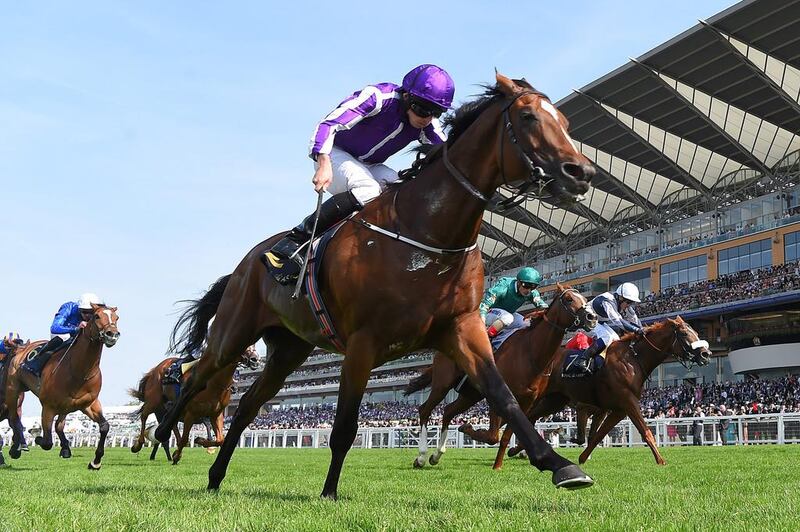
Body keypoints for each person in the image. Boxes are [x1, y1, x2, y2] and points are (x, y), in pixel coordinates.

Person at [268, 64, 454, 263]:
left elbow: (448, 155)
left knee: (405, 190)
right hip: (335, 153)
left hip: (370, 165)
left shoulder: (428, 125)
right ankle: (296, 240)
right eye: (421, 109)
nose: (426, 118)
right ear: (406, 96)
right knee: (369, 189)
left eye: (435, 112)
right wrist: (323, 161)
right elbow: (328, 124)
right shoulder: (378, 97)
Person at [564, 282, 643, 376]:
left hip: (597, 322)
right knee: (606, 337)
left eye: (631, 302)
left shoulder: (624, 304)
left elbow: (635, 320)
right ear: (620, 298)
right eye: (628, 302)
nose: (629, 305)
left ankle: (601, 362)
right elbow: (618, 321)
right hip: (584, 322)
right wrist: (636, 330)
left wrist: (643, 329)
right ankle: (583, 360)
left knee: (616, 339)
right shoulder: (607, 300)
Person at [21, 293, 103, 377]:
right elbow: (55, 327)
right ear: (79, 309)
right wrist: (75, 329)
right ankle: (34, 364)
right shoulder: (68, 307)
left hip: (78, 336)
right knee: (65, 338)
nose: (88, 315)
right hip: (62, 333)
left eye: (91, 312)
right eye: (85, 312)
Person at [479, 267, 548, 339]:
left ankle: (501, 342)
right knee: (508, 318)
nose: (528, 290)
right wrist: (482, 324)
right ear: (518, 282)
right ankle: (486, 337)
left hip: (507, 314)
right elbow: (484, 305)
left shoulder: (532, 293)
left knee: (526, 324)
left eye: (533, 287)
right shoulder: (504, 285)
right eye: (526, 285)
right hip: (489, 313)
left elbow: (542, 305)